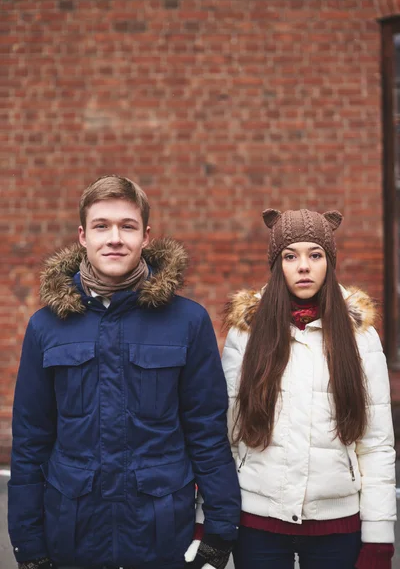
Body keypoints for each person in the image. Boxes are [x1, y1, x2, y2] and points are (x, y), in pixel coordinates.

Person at [8, 175, 240, 569]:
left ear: (146, 236)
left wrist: (219, 532)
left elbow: (207, 433)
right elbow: (30, 442)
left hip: (162, 534)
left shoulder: (188, 321)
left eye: (127, 226)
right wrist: (28, 545)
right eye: (102, 226)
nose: (114, 238)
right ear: (83, 235)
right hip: (74, 535)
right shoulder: (46, 327)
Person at [221, 208, 396, 569]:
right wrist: (211, 521)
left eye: (315, 255)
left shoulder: (360, 335)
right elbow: (227, 434)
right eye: (290, 256)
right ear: (277, 264)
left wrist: (379, 537)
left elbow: (376, 444)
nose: (304, 266)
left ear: (329, 263)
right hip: (257, 523)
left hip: (339, 527)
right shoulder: (246, 332)